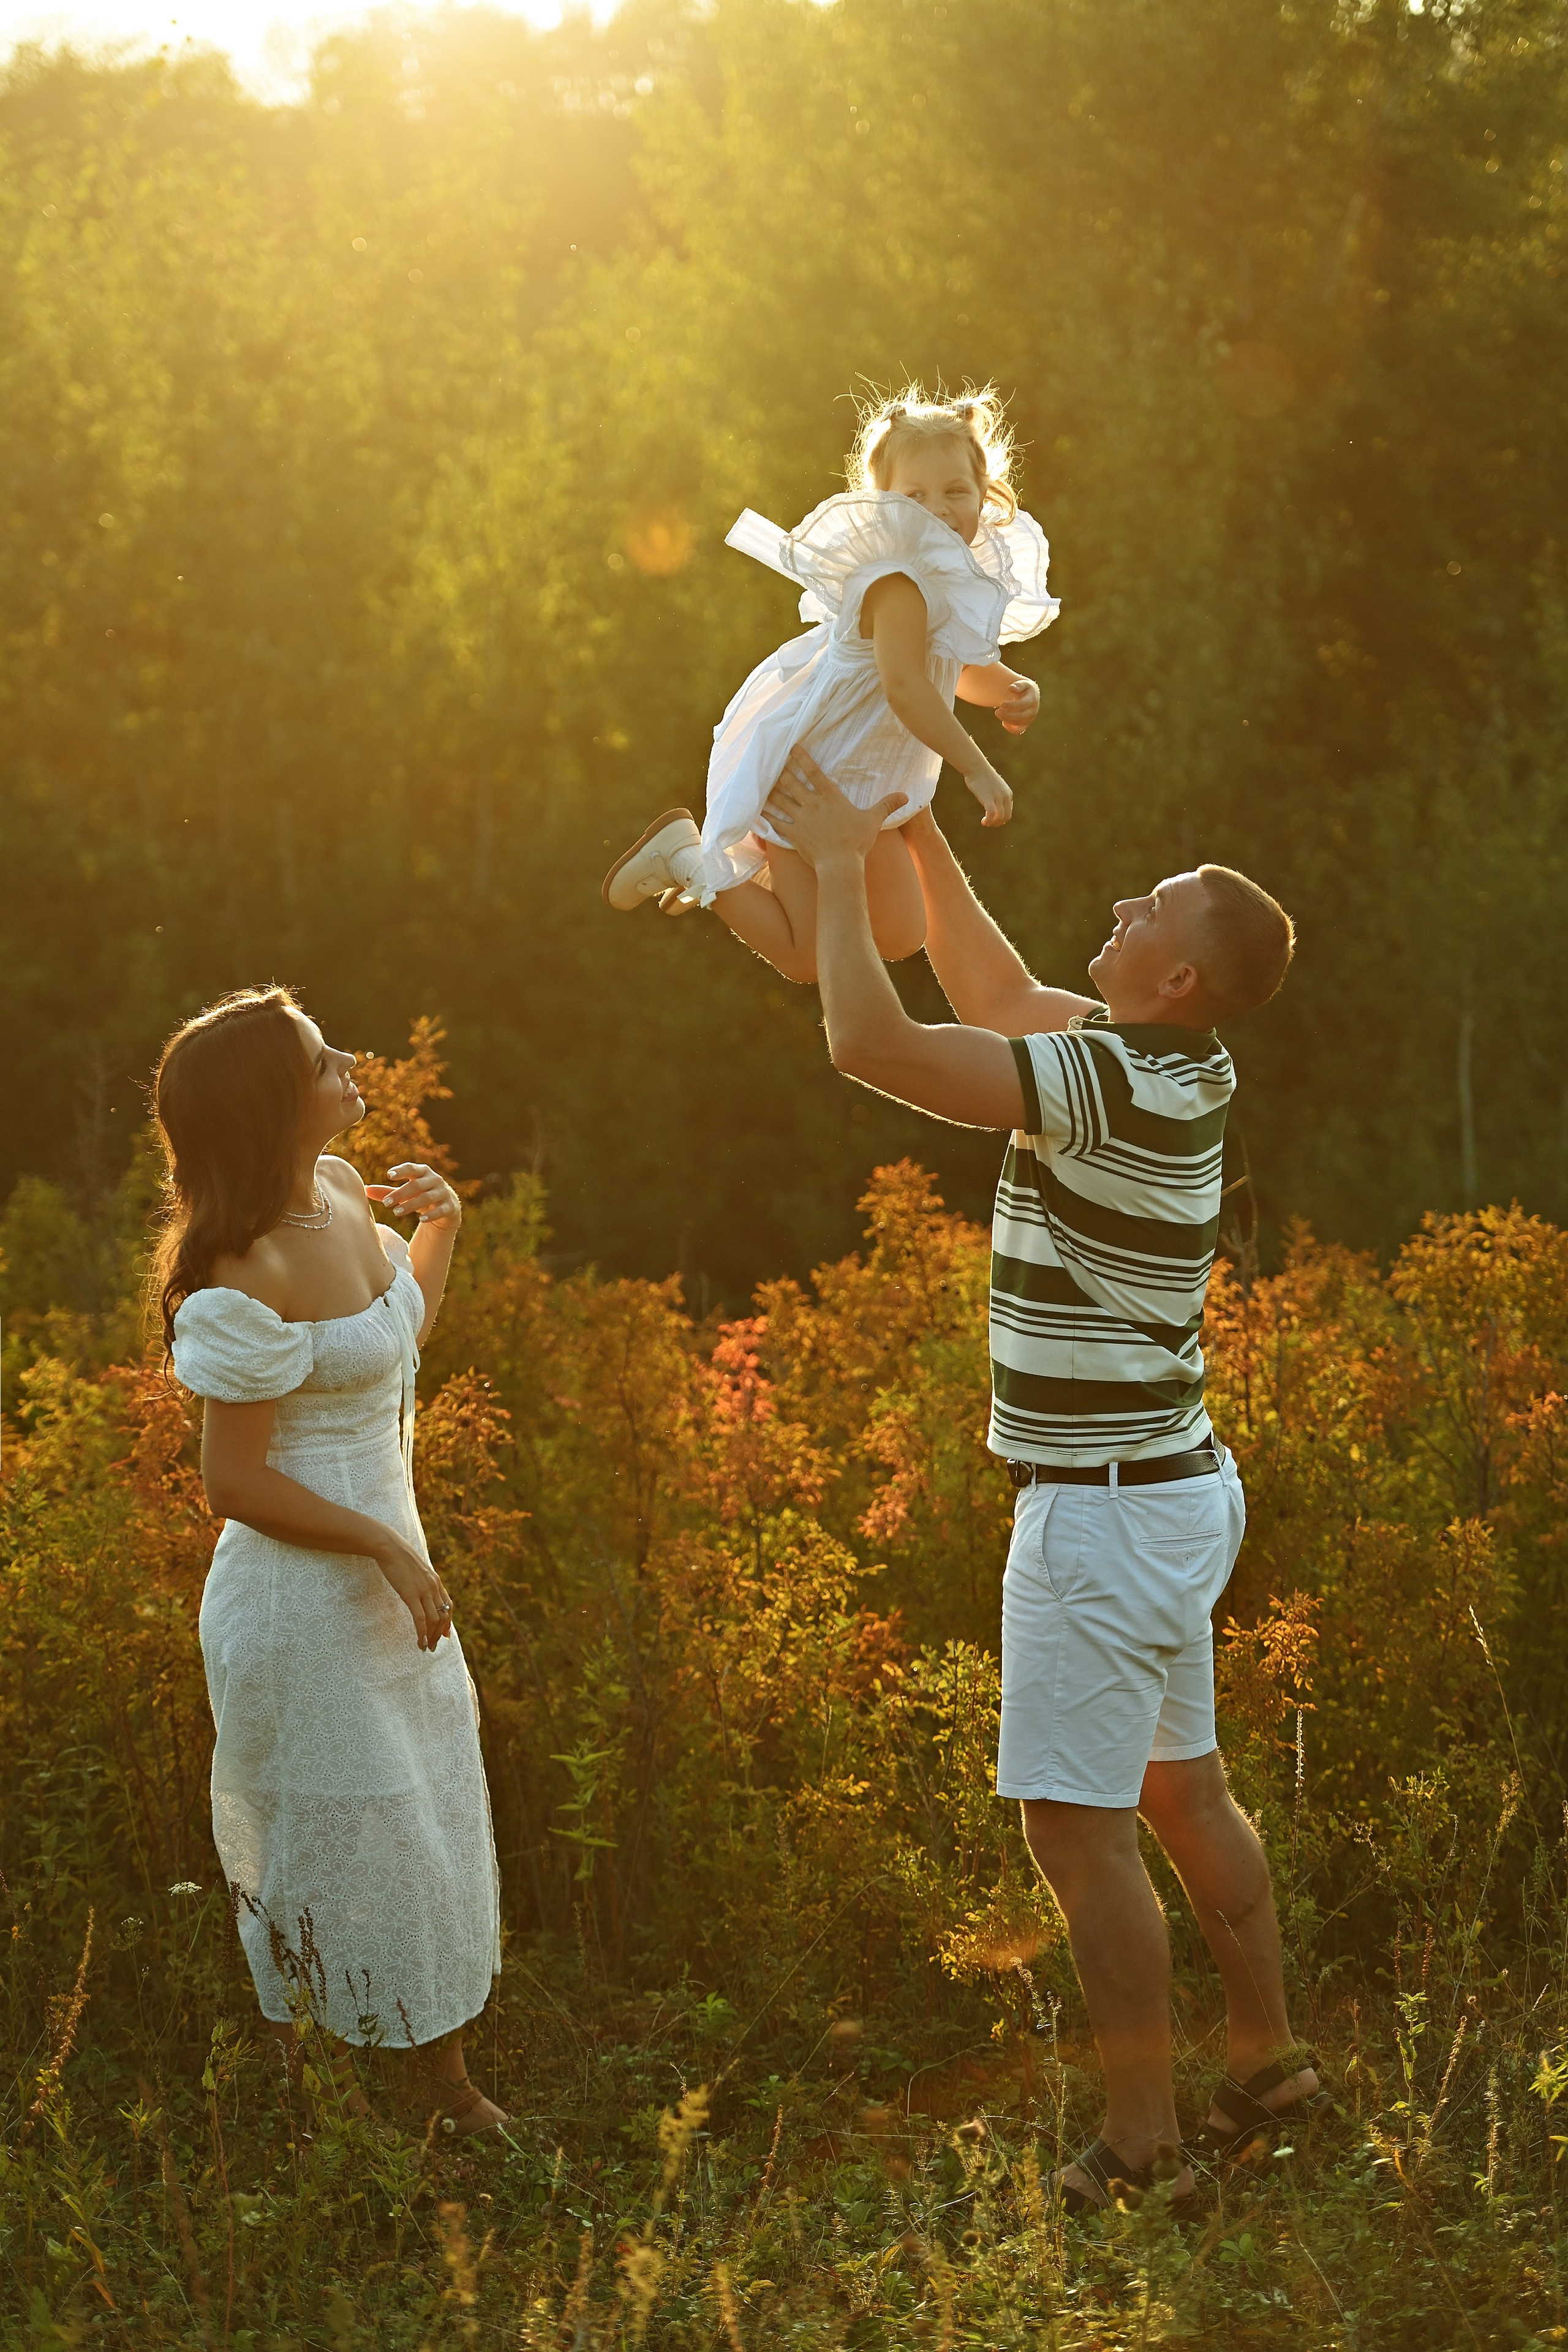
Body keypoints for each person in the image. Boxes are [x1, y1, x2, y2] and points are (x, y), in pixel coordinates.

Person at [761, 754, 1325, 2214]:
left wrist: (831, 873)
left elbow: (869, 1043)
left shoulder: (1112, 1080)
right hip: (1172, 1489)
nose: (1125, 898)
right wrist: (918, 827)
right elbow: (999, 994)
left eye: (1155, 904)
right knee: (1181, 1792)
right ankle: (1267, 2059)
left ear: (1180, 972)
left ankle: (1140, 2147)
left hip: (1100, 1510)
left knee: (1074, 1829)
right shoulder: (1169, 1060)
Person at [153, 986, 506, 2134]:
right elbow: (234, 1485)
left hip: (393, 1582)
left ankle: (442, 2091)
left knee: (424, 1820)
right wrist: (381, 1546)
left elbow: (390, 1343)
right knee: (328, 1843)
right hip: (298, 1600)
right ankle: (316, 2111)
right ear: (269, 1102)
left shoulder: (347, 1193)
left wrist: (443, 1228)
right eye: (319, 1056)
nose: (349, 1059)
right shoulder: (240, 1269)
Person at [601, 385, 1058, 981]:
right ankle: (688, 860)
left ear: (982, 493)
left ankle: (713, 872)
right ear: (883, 505)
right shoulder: (897, 584)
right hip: (814, 780)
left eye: (955, 491)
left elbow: (954, 668)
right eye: (913, 496)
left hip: (871, 786)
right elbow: (904, 685)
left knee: (901, 933)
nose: (939, 509)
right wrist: (975, 765)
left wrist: (1012, 689)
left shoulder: (948, 578)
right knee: (807, 957)